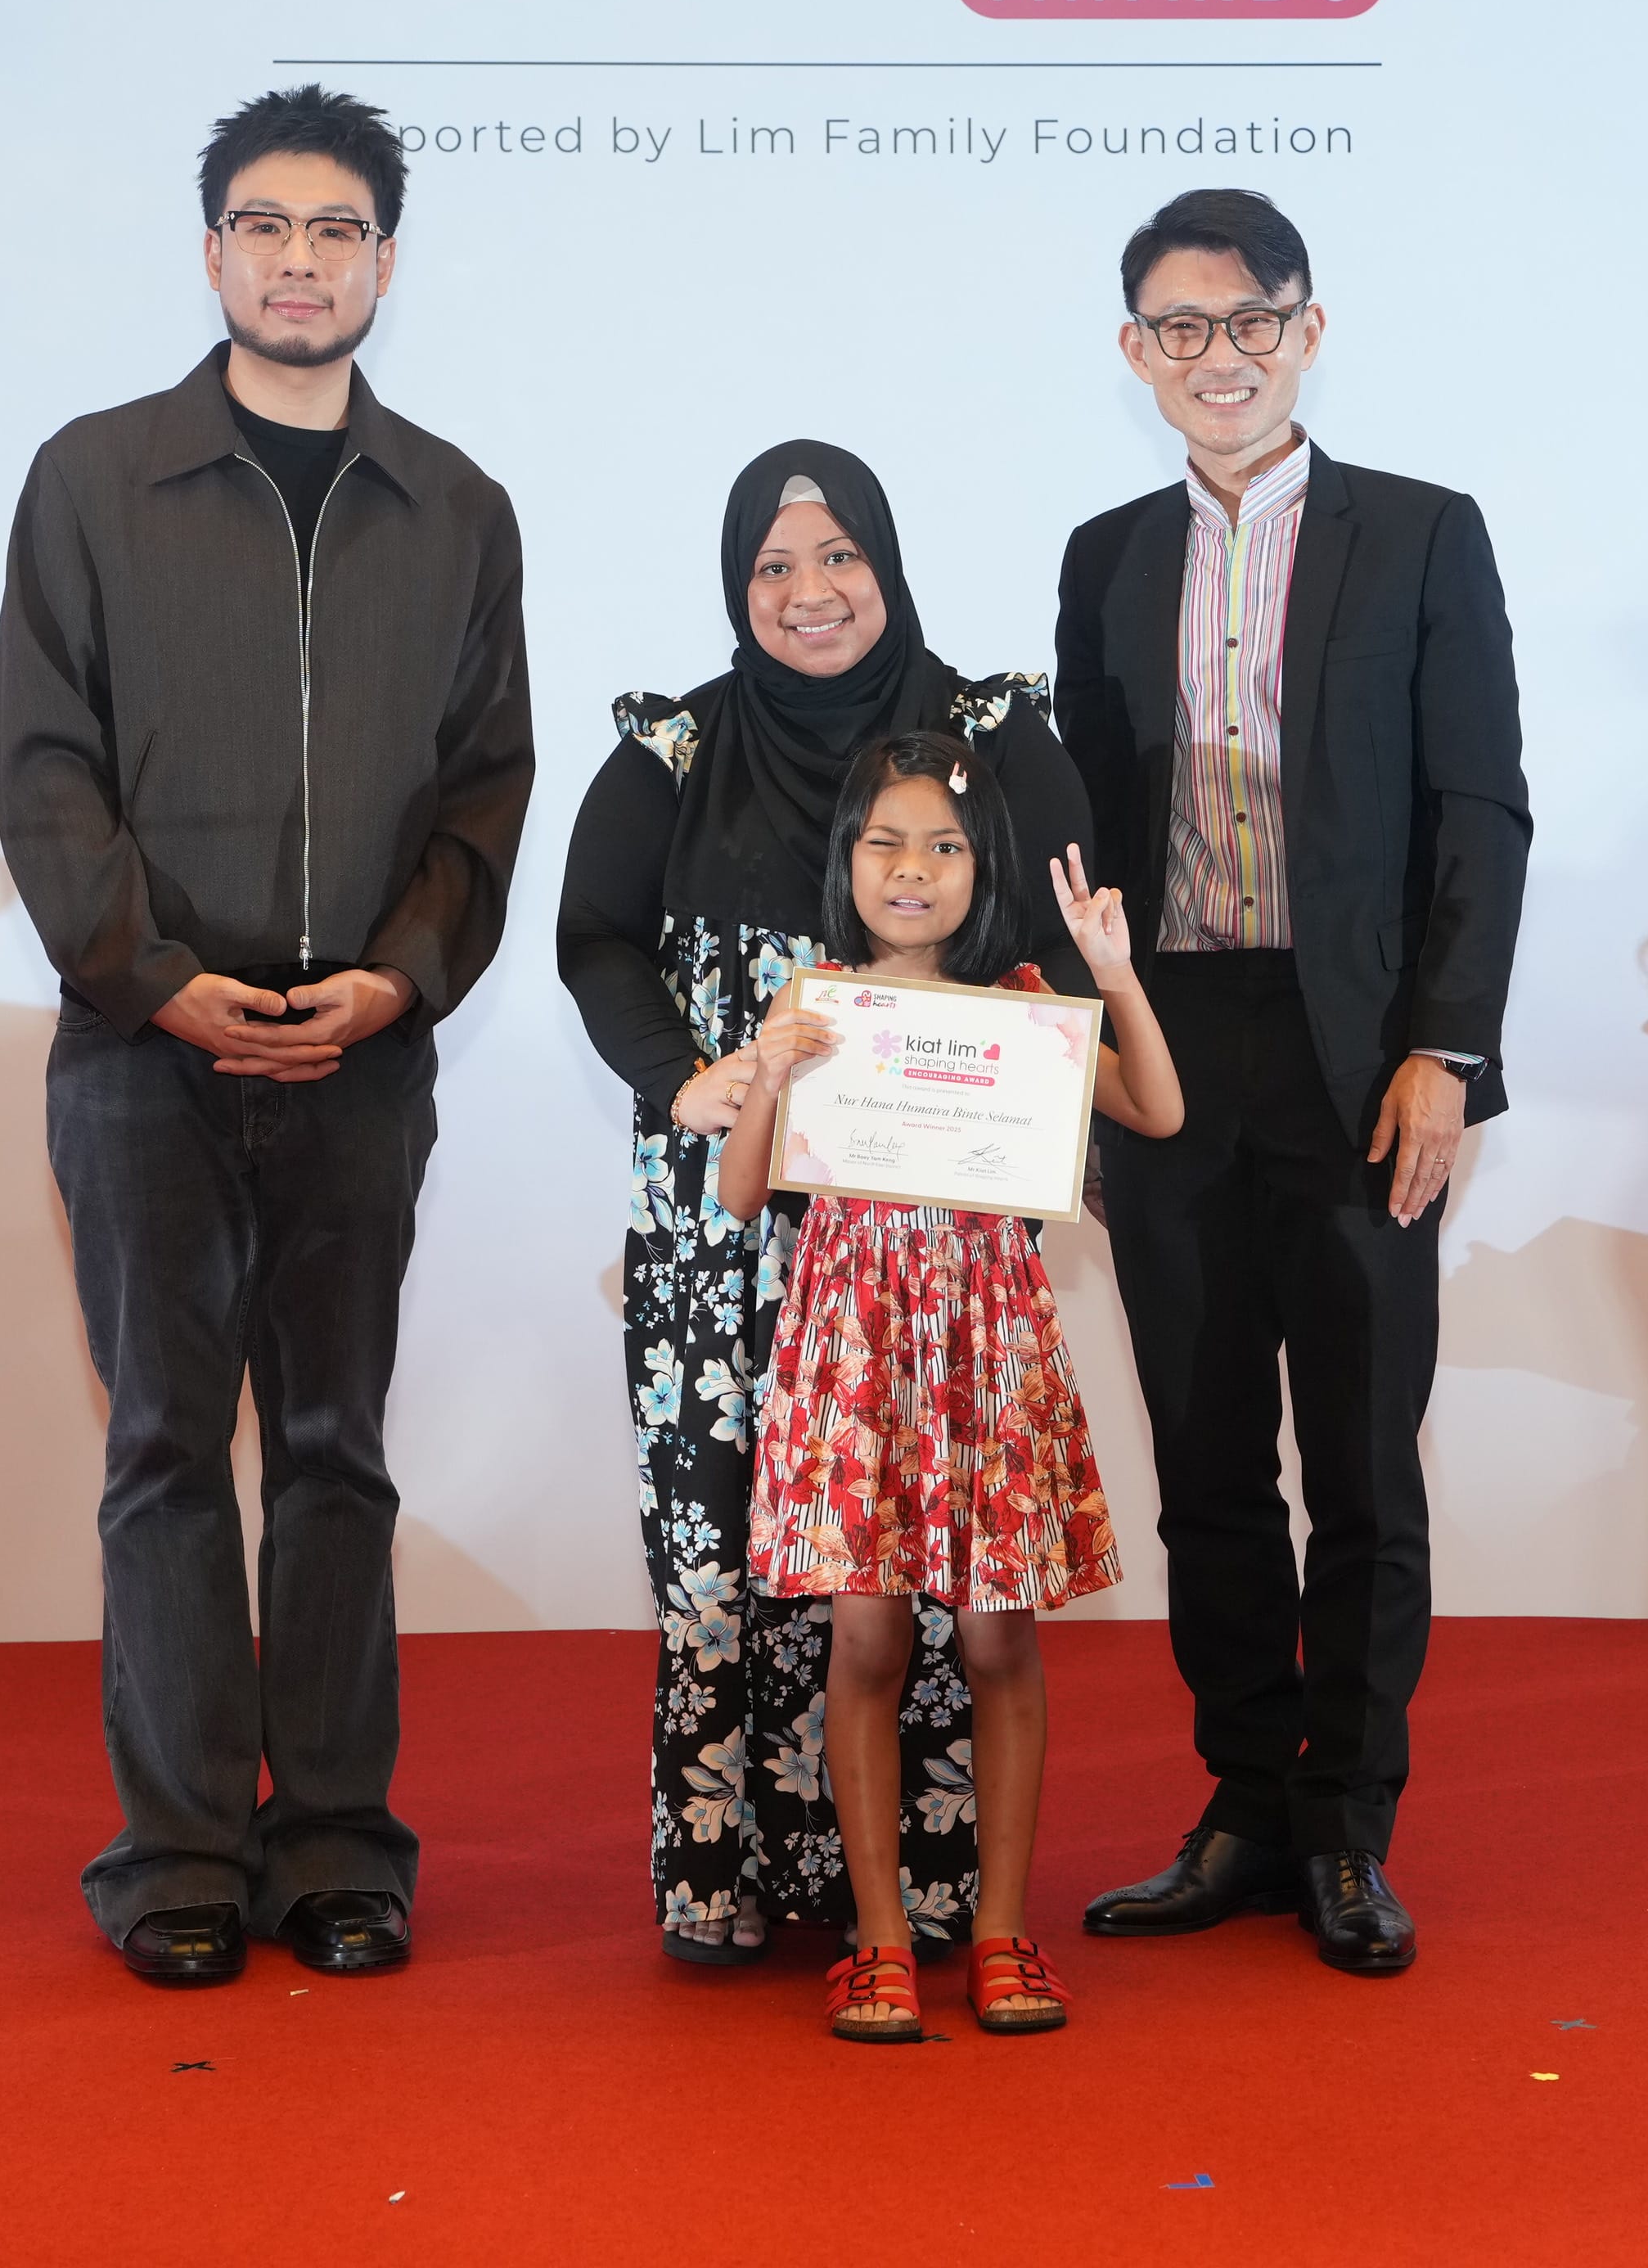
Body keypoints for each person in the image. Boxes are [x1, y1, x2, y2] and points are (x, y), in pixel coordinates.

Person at [0, 83, 533, 1987]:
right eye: (268, 227)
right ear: (213, 249)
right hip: (145, 1056)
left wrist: (395, 982)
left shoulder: (457, 508)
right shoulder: (93, 478)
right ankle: (181, 1860)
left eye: (340, 230)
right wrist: (154, 975)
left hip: (363, 1060)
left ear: (389, 257)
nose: (303, 261)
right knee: (160, 1453)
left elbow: (485, 792)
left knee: (331, 1452)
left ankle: (338, 1853)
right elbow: (45, 768)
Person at [1056, 187, 1529, 1978]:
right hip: (1170, 1059)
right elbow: (1079, 833)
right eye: (1181, 329)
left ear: (1308, 331)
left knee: (1360, 1461)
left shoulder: (1419, 536)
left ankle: (1350, 1830)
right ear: (1136, 355)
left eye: (1250, 321)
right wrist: (1078, 1058)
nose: (1219, 357)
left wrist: (1447, 1054)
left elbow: (1478, 809)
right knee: (1202, 1462)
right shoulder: (1105, 554)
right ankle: (1247, 1804)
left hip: (1356, 1060)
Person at [552, 444, 1095, 1964]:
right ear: (739, 587)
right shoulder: (671, 750)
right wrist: (692, 1079)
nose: (811, 593)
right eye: (774, 567)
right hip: (726, 1236)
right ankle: (742, 1882)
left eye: (841, 555)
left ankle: (927, 1904)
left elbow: (1053, 932)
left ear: (890, 564)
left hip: (929, 1243)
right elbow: (595, 937)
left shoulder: (985, 733)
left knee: (920, 1561)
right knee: (730, 1548)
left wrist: (1027, 1112)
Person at [689, 730, 1182, 2042]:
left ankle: (1005, 1934)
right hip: (854, 1353)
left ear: (985, 864)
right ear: (846, 858)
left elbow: (1160, 1109)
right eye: (885, 843)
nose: (914, 870)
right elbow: (741, 1192)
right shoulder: (817, 1000)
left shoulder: (1025, 1003)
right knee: (865, 1636)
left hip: (986, 1344)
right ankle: (880, 1940)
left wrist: (1117, 978)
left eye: (946, 846)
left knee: (998, 1637)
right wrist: (771, 1074)